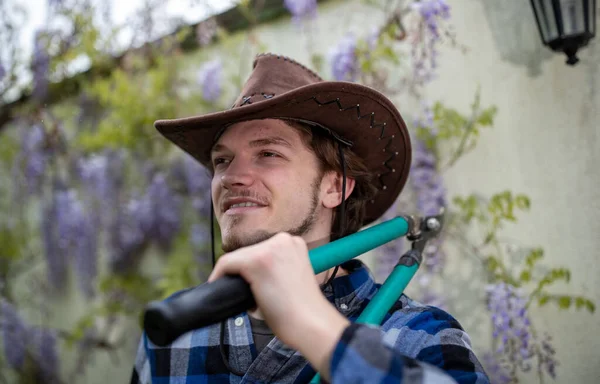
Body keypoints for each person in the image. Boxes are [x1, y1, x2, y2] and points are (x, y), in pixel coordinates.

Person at [131, 53, 489, 383]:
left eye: (268, 153)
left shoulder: (418, 336)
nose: (230, 177)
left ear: (335, 187)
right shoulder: (171, 337)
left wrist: (315, 329)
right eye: (222, 160)